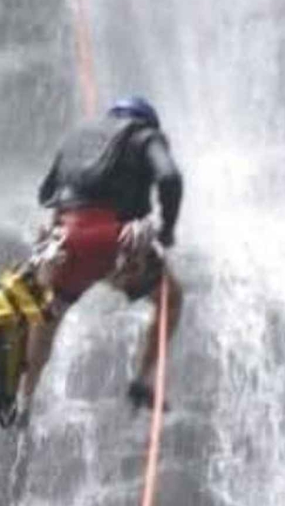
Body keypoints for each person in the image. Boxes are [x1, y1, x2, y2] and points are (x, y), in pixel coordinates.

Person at [14, 96, 185, 425]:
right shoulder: (145, 135)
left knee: (51, 313)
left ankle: (24, 400)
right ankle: (142, 381)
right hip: (113, 240)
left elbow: (46, 193)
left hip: (66, 240)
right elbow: (169, 178)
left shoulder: (75, 138)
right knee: (170, 299)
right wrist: (167, 231)